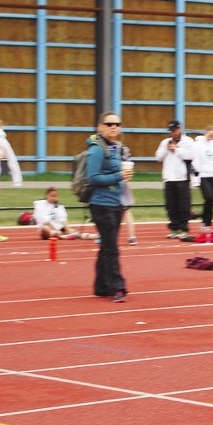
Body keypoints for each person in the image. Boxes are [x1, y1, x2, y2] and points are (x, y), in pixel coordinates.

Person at [87, 112, 133, 303]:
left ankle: (101, 286)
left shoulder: (114, 148)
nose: (114, 127)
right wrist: (118, 177)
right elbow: (93, 178)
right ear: (100, 126)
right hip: (101, 205)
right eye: (109, 124)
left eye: (117, 124)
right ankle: (117, 288)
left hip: (115, 204)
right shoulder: (97, 149)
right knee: (112, 248)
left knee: (107, 247)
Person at [155, 120, 195, 239]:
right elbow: (158, 157)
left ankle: (183, 228)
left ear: (180, 129)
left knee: (183, 205)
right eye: (171, 131)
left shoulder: (188, 141)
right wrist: (166, 149)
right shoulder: (165, 142)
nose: (172, 133)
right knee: (170, 205)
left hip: (182, 178)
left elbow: (191, 155)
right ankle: (174, 228)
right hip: (169, 178)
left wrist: (176, 149)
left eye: (175, 130)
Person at [192, 125, 213, 234]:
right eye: (210, 134)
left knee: (211, 201)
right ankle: (205, 221)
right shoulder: (197, 145)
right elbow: (194, 161)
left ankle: (208, 223)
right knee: (208, 197)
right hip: (202, 176)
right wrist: (195, 179)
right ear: (205, 132)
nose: (212, 136)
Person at [119, 142, 137, 244]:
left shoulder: (111, 148)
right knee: (125, 210)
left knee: (111, 210)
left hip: (115, 182)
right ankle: (132, 236)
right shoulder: (123, 148)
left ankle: (104, 235)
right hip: (123, 181)